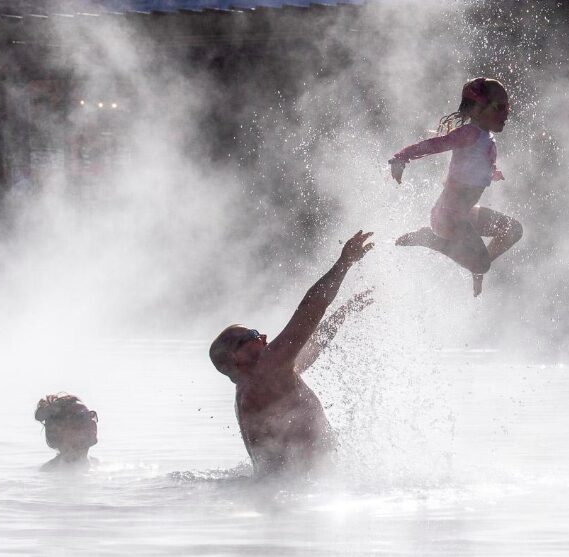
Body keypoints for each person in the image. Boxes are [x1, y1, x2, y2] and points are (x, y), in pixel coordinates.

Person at [209, 230, 375, 480]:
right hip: (299, 489)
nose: (263, 337)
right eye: (252, 336)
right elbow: (309, 310)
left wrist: (343, 313)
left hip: (285, 488)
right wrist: (343, 264)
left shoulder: (265, 380)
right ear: (236, 358)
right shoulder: (263, 373)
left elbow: (311, 347)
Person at [389, 77, 523, 297]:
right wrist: (402, 157)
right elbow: (435, 145)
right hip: (448, 218)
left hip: (465, 215)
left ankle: (476, 264)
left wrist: (490, 172)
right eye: (499, 107)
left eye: (508, 107)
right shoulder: (470, 133)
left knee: (513, 230)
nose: (506, 113)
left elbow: (473, 165)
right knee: (482, 264)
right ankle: (429, 239)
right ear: (478, 109)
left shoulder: (484, 136)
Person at [34, 393, 99, 472]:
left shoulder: (97, 465)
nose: (91, 422)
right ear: (58, 432)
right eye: (81, 419)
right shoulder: (50, 472)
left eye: (90, 416)